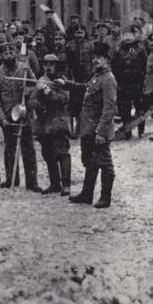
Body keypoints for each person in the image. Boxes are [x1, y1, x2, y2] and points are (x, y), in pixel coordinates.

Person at [67, 42, 117, 208]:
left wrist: (101, 132)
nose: (96, 60)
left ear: (107, 60)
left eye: (100, 57)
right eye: (94, 57)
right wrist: (66, 84)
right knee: (90, 161)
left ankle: (105, 198)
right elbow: (86, 88)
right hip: (88, 128)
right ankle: (86, 194)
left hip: (99, 130)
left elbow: (109, 108)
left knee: (105, 163)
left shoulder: (108, 79)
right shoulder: (96, 76)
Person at [0, 40, 40, 191]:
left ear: (16, 54)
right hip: (8, 117)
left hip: (25, 114)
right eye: (5, 53)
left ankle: (32, 182)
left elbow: (35, 86)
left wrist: (28, 93)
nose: (9, 55)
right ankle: (12, 178)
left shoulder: (24, 69)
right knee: (10, 148)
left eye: (11, 52)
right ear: (1, 55)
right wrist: (1, 117)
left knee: (28, 148)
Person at [30, 54, 72, 196]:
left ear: (56, 66)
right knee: (47, 153)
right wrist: (37, 104)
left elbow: (64, 99)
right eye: (46, 64)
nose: (48, 67)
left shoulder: (62, 81)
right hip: (43, 122)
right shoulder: (41, 80)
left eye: (51, 64)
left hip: (58, 120)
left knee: (62, 153)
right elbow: (31, 101)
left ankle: (66, 185)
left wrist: (48, 92)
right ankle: (55, 184)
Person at [113, 27, 147, 139]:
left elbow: (145, 65)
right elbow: (114, 66)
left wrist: (142, 78)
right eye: (125, 35)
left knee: (140, 107)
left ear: (134, 37)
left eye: (130, 36)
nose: (128, 38)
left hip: (137, 83)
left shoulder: (140, 49)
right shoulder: (118, 50)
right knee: (124, 108)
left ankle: (141, 130)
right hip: (123, 84)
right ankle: (127, 130)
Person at [65, 25, 94, 136]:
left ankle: (81, 128)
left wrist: (92, 75)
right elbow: (67, 62)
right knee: (74, 104)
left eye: (81, 32)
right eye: (77, 33)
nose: (80, 35)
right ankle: (73, 129)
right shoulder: (69, 45)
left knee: (85, 103)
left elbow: (93, 60)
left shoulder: (90, 45)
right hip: (74, 77)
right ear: (74, 34)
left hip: (87, 77)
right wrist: (68, 76)